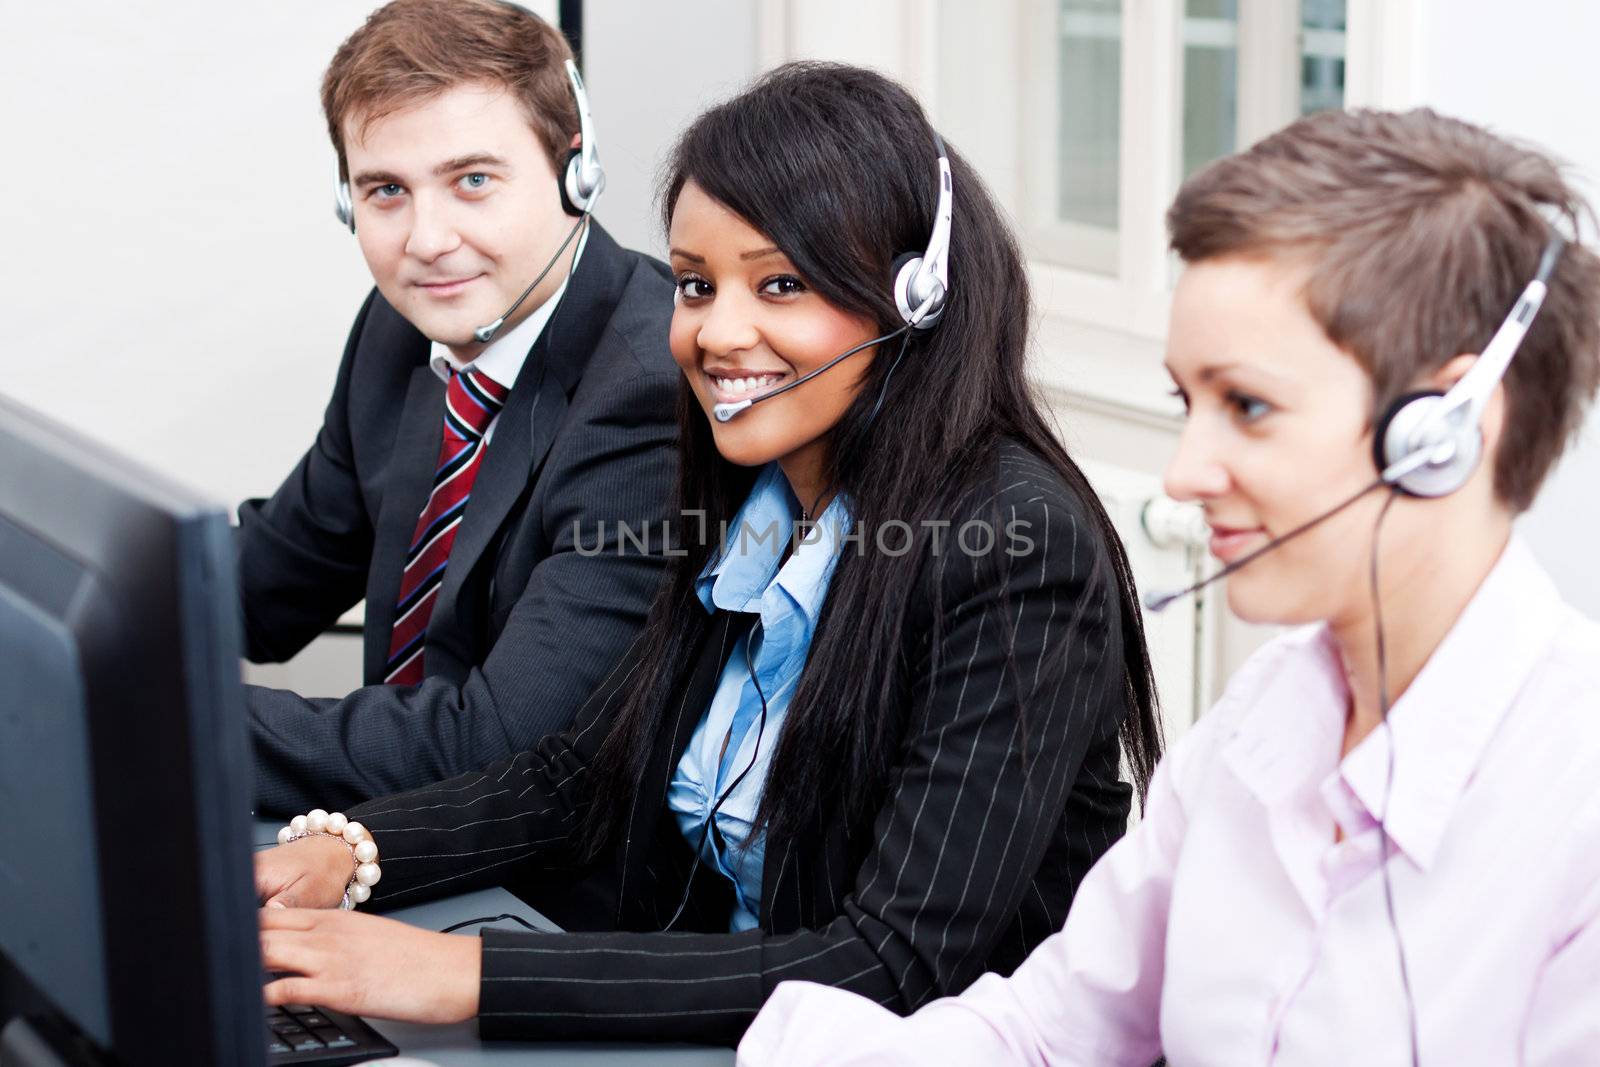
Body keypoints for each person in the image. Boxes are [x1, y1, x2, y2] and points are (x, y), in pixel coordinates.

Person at [251, 62, 1163, 1046]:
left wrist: (470, 971)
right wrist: (354, 848)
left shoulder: (1017, 551)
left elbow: (888, 958)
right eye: (695, 283)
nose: (719, 332)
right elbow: (579, 774)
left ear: (913, 297)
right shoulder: (761, 490)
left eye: (780, 283)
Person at [736, 107, 1600, 1066]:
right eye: (1191, 405)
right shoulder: (1261, 720)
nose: (1188, 471)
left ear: (1444, 432)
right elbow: (1049, 1028)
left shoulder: (1573, 810)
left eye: (1250, 406)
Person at [237, 0, 679, 815]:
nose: (426, 240)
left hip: (555, 894)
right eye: (385, 191)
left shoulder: (648, 389)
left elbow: (498, 740)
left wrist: (188, 728)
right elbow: (268, 584)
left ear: (574, 169)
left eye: (472, 180)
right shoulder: (398, 332)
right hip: (388, 836)